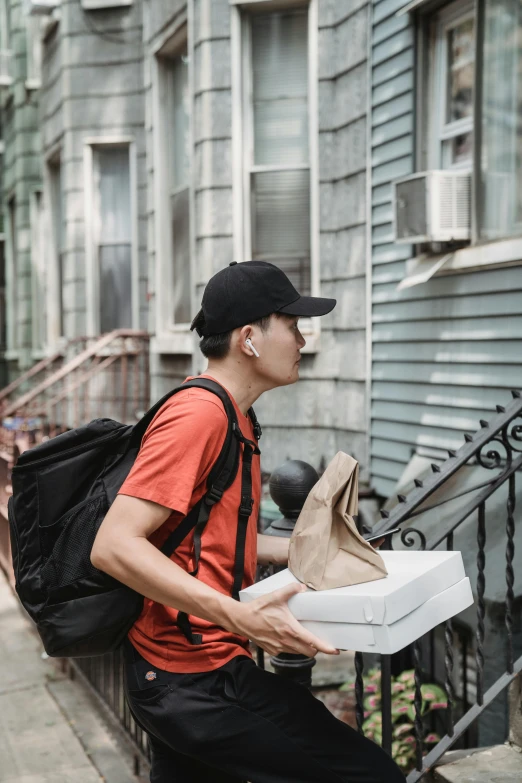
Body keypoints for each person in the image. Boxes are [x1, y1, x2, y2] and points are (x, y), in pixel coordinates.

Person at [91, 260, 405, 783]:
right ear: (249, 339)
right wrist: (239, 618)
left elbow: (207, 533)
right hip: (192, 680)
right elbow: (115, 544)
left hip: (185, 675)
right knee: (371, 774)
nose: (303, 339)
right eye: (292, 324)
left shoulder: (237, 415)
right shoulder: (200, 415)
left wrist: (305, 549)